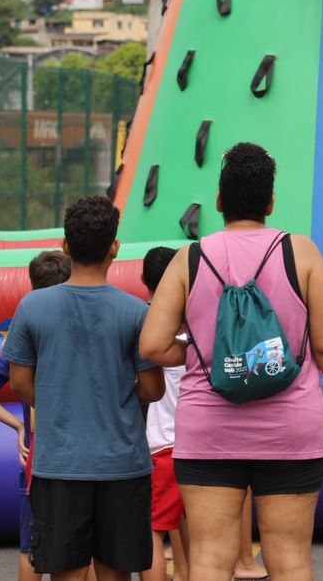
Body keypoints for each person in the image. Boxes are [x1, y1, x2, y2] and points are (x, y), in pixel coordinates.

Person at [140, 141, 323, 581]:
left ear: (220, 201)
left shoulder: (190, 257)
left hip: (209, 429)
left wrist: (201, 349)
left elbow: (151, 345)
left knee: (209, 558)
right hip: (290, 430)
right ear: (270, 202)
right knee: (290, 559)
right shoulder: (300, 252)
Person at [2, 196, 164, 581]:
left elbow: (19, 381)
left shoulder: (32, 306)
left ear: (65, 246)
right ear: (115, 249)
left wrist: (61, 399)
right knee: (116, 573)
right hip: (122, 465)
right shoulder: (136, 311)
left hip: (59, 465)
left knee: (65, 572)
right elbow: (153, 388)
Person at [0, 249, 72, 581]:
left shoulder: (25, 339)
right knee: (82, 549)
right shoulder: (81, 333)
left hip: (38, 457)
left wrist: (19, 426)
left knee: (32, 548)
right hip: (81, 454)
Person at [139, 247, 187, 581]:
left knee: (152, 529)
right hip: (198, 446)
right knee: (193, 530)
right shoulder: (197, 325)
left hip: (163, 445)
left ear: (144, 281)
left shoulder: (151, 330)